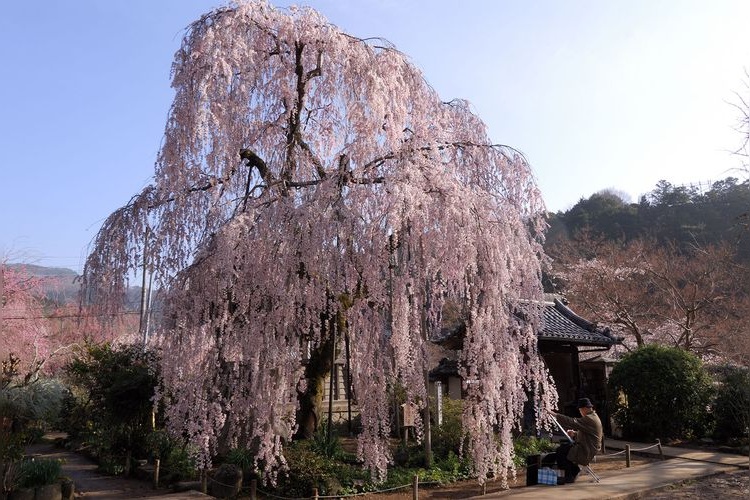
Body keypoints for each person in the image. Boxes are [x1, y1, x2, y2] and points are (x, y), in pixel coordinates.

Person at [552, 397, 603, 484]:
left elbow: (572, 421)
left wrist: (556, 415)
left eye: (580, 410)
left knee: (561, 451)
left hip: (586, 450)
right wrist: (575, 434)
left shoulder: (589, 419)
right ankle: (574, 471)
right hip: (588, 447)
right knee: (565, 448)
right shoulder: (593, 417)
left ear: (584, 409)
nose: (580, 412)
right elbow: (588, 433)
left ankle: (568, 476)